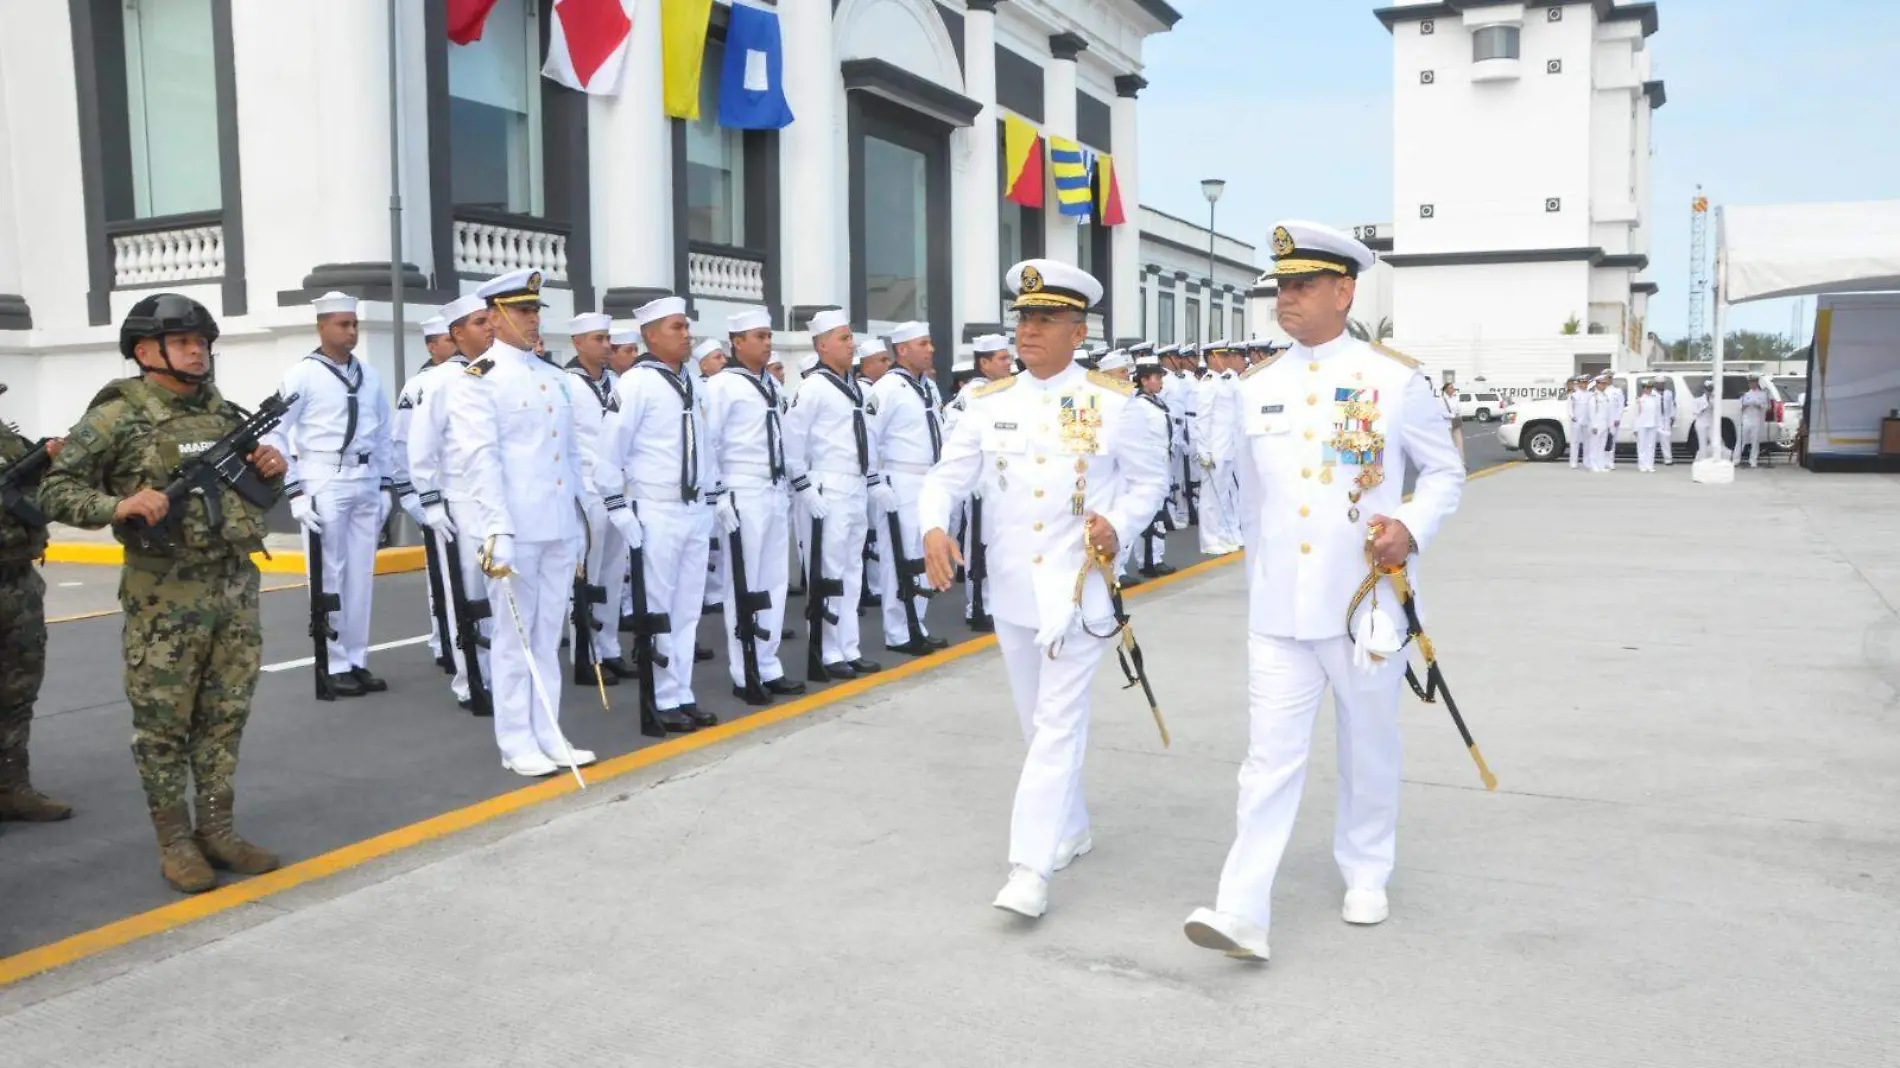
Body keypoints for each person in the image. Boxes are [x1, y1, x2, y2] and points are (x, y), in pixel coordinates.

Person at [1182, 221, 1463, 962]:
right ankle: (1241, 908)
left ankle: (1366, 869)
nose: (1288, 299)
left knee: (1369, 745)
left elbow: (1443, 474)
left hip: (1362, 606)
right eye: (1281, 286)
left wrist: (1408, 525)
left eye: (1304, 285)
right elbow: (1246, 500)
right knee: (1268, 759)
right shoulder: (1255, 388)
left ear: (1345, 290)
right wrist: (1255, 577)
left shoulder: (1395, 380)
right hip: (1279, 611)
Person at [917, 259, 1169, 920]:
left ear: (1077, 329)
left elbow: (1150, 481)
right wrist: (933, 527)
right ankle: (1073, 825)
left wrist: (1122, 523)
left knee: (1056, 725)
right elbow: (947, 475)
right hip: (1011, 586)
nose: (1027, 330)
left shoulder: (1116, 404)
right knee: (1037, 722)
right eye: (1023, 317)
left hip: (1078, 590)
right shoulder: (986, 402)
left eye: (1044, 319)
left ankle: (1028, 868)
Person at [38, 294, 289, 892]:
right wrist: (116, 505)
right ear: (146, 352)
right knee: (163, 725)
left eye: (202, 342)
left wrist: (272, 472)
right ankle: (175, 841)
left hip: (233, 589)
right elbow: (55, 489)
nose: (198, 352)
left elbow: (252, 501)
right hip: (165, 599)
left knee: (225, 715)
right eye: (184, 342)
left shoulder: (226, 415)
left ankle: (219, 830)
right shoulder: (115, 417)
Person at [444, 269, 598, 776]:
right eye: (524, 311)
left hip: (556, 527)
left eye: (536, 311)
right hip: (516, 530)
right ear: (495, 316)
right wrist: (497, 530)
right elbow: (480, 461)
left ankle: (549, 733)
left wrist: (577, 523)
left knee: (548, 635)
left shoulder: (554, 377)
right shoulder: (479, 379)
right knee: (514, 641)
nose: (534, 321)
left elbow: (569, 458)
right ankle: (516, 743)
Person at [265, 292, 394, 697]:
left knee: (360, 575)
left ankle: (356, 658)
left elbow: (385, 435)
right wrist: (295, 491)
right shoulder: (302, 375)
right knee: (328, 574)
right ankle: (333, 661)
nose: (351, 331)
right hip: (323, 476)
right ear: (322, 326)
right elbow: (274, 434)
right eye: (343, 324)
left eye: (354, 324)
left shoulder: (369, 376)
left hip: (366, 478)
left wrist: (387, 484)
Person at [602, 297, 721, 732]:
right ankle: (659, 698)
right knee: (658, 609)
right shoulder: (636, 383)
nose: (686, 334)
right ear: (650, 335)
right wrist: (617, 507)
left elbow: (706, 444)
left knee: (688, 609)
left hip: (692, 507)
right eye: (677, 327)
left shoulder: (691, 381)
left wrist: (713, 497)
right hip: (655, 507)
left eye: (687, 327)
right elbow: (609, 449)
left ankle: (681, 691)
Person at [705, 307, 806, 700]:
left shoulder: (771, 385)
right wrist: (718, 494)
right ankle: (744, 670)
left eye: (769, 336)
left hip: (775, 491)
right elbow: (709, 443)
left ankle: (768, 663)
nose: (767, 343)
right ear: (736, 342)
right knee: (743, 586)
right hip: (742, 491)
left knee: (774, 583)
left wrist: (800, 486)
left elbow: (788, 439)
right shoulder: (722, 386)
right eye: (759, 336)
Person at [784, 310, 883, 680]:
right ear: (822, 344)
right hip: (826, 487)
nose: (851, 343)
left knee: (852, 571)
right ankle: (826, 651)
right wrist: (804, 487)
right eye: (843, 338)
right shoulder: (813, 388)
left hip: (853, 486)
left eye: (850, 336)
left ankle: (848, 647)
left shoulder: (854, 386)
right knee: (828, 572)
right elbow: (792, 441)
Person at [408, 295, 495, 714]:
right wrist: (430, 501)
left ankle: (505, 676)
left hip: (499, 500)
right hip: (460, 500)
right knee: (469, 593)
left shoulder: (503, 373)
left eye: (491, 320)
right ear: (457, 333)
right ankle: (471, 679)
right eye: (480, 322)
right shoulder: (440, 381)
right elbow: (421, 446)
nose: (490, 327)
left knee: (503, 594)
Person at [0, 401, 71, 825]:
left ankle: (13, 787)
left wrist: (49, 461)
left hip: (18, 580)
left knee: (18, 690)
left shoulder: (8, 438)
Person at [562, 312, 635, 685]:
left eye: (608, 338)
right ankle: (586, 652)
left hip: (617, 492)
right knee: (586, 577)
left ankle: (609, 648)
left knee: (612, 575)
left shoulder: (618, 383)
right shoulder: (566, 385)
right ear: (577, 343)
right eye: (597, 339)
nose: (606, 345)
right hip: (587, 494)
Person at [868, 321, 948, 656]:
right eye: (923, 343)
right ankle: (898, 631)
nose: (931, 349)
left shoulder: (928, 387)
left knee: (924, 555)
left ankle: (918, 622)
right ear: (903, 350)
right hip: (900, 480)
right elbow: (870, 435)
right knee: (897, 557)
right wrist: (875, 480)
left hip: (930, 479)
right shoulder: (886, 388)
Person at [392, 315, 463, 674]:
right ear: (432, 346)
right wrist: (411, 497)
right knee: (442, 576)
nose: (453, 345)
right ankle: (445, 641)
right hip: (433, 495)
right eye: (445, 340)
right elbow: (402, 446)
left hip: (465, 494)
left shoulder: (470, 376)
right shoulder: (417, 386)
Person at [944, 333, 1013, 630]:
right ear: (984, 363)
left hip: (1003, 480)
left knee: (1000, 545)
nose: (1009, 363)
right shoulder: (975, 393)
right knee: (980, 545)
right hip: (983, 481)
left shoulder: (1003, 390)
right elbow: (951, 430)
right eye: (1002, 358)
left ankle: (995, 603)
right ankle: (977, 606)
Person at [1131, 354, 1176, 579]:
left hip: (1161, 463)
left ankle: (1155, 558)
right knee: (1151, 514)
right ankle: (1149, 561)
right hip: (1149, 465)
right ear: (1144, 380)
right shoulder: (1139, 405)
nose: (1160, 381)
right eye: (1157, 377)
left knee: (1158, 510)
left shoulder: (1156, 402)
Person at [1738, 376, 1769, 467]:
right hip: (1746, 418)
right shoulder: (1746, 394)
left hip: (1756, 419)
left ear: (1757, 383)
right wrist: (1745, 405)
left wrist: (1758, 405)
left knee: (1755, 441)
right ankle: (1736, 459)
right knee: (1741, 439)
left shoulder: (1762, 394)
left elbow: (1766, 407)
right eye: (1751, 383)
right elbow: (1740, 408)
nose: (1752, 384)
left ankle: (1753, 460)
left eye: (1754, 382)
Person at [1634, 380, 1662, 472]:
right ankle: (1642, 465)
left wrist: (1659, 425)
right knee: (1642, 446)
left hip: (1652, 425)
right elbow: (1636, 415)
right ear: (1643, 389)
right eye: (1647, 388)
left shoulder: (1654, 399)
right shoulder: (1640, 400)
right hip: (1642, 425)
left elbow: (1657, 413)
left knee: (1651, 446)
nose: (1649, 390)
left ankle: (1650, 465)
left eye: (1650, 388)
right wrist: (1635, 428)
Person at [1693, 378, 1718, 460]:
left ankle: (1715, 459)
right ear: (1704, 390)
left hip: (1711, 424)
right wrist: (1704, 407)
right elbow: (1695, 412)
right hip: (1701, 424)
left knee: (1715, 442)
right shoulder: (1698, 400)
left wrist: (1711, 402)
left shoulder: (1715, 399)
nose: (1709, 391)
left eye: (1710, 389)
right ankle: (1702, 460)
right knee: (1702, 443)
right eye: (1707, 389)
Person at [1657, 380, 1678, 466]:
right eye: (1659, 383)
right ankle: (1648, 460)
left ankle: (1668, 459)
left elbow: (1672, 405)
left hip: (1665, 419)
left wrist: (1672, 417)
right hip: (1655, 419)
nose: (1661, 385)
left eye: (1662, 383)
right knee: (1650, 441)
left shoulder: (1668, 393)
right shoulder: (1653, 393)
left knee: (1666, 440)